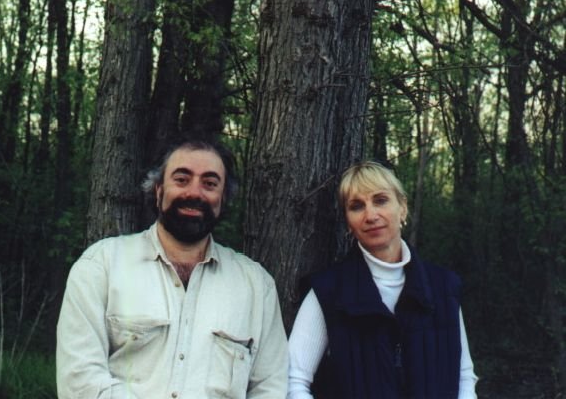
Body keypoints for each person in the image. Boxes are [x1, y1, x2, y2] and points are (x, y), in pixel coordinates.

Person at [56, 136, 288, 398]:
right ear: (158, 190)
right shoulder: (101, 266)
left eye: (210, 183)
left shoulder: (257, 286)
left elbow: (271, 388)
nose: (194, 193)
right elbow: (80, 380)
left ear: (223, 199)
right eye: (181, 179)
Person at [287, 161, 478, 398]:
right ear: (348, 222)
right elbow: (293, 379)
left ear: (403, 208)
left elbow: (464, 377)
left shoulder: (443, 287)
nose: (370, 215)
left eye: (380, 200)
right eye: (356, 206)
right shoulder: (328, 291)